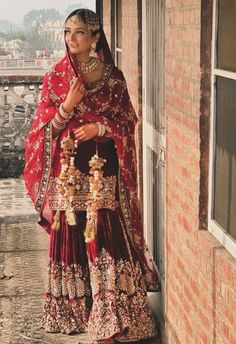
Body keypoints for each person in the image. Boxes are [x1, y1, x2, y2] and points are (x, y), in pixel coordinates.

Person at [24, 8, 161, 343]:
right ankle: (75, 309)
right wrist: (67, 107)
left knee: (103, 234)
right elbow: (43, 132)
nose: (71, 39)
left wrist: (100, 126)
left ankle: (112, 316)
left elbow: (128, 121)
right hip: (68, 169)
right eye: (67, 32)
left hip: (103, 168)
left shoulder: (113, 78)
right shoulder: (56, 77)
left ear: (96, 37)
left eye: (80, 32)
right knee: (72, 231)